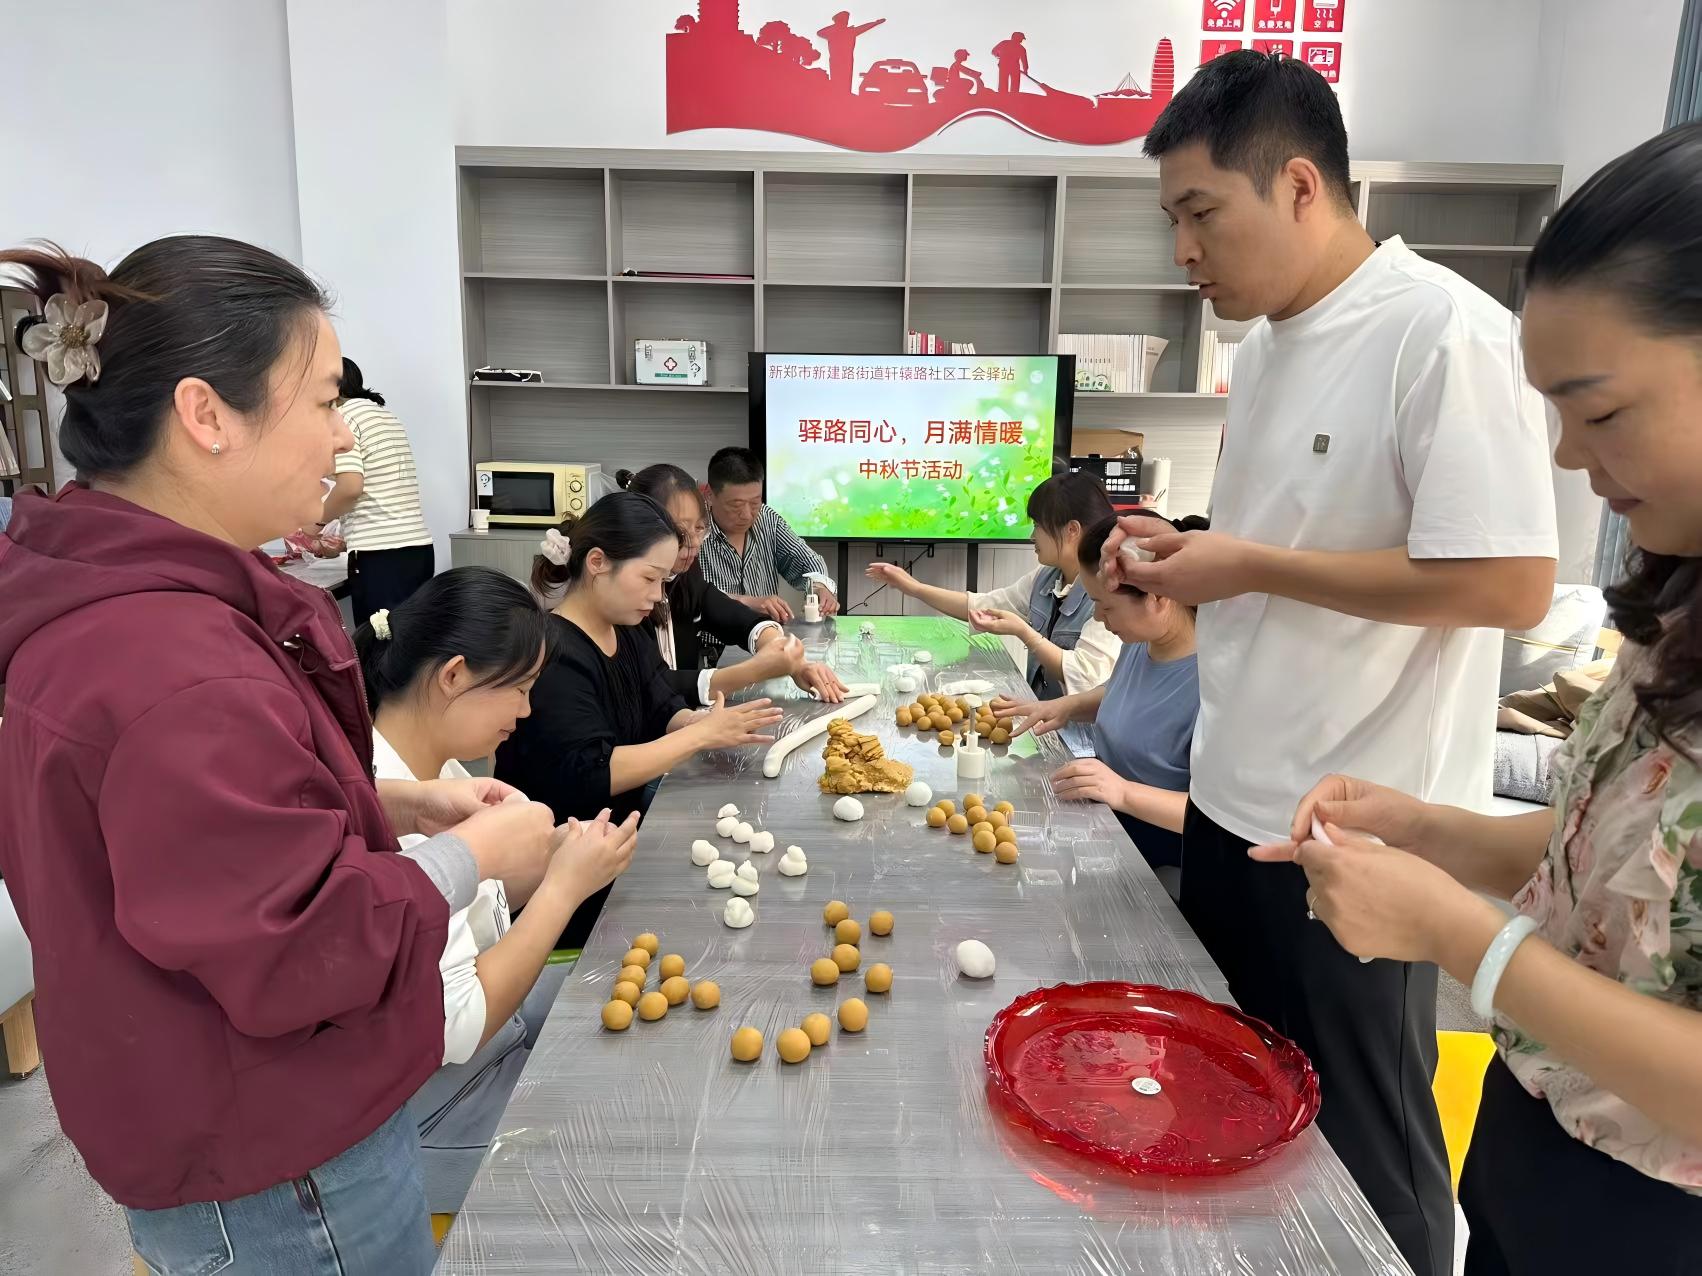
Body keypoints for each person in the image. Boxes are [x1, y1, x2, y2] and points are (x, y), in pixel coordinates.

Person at [0, 237, 566, 1274]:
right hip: (280, 1165)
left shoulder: (122, 611)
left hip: (217, 1125)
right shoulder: (174, 667)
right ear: (207, 416)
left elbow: (195, 857)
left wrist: (388, 810)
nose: (342, 437)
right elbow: (299, 949)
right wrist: (477, 859)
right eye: (323, 400)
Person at [1102, 52, 1559, 1276]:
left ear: (1300, 186)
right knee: (1231, 1104)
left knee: (1366, 1142)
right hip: (1227, 798)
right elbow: (1290, 546)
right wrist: (1187, 559)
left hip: (1353, 834)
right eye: (1171, 220)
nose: (1183, 251)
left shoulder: (1443, 333)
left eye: (1202, 213)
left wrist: (1246, 563)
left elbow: (1509, 583)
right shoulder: (1263, 348)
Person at [1253, 122, 1702, 1275]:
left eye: (1600, 412)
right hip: (1532, 1145)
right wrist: (1428, 830)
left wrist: (1459, 935)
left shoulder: (1427, 332)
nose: (1566, 458)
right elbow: (1622, 866)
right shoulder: (1675, 601)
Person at [356, 567, 640, 1213]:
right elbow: (459, 1025)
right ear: (454, 676)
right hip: (439, 1110)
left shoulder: (435, 772)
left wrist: (551, 857)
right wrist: (562, 890)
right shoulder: (386, 815)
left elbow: (474, 907)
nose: (527, 711)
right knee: (629, 1137)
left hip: (484, 1050)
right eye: (519, 689)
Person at [496, 491, 783, 947]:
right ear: (597, 562)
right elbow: (591, 772)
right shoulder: (554, 655)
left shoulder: (626, 630)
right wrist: (698, 737)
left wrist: (699, 724)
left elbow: (661, 703)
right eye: (649, 578)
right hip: (559, 878)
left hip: (613, 847)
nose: (657, 595)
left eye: (664, 581)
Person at [995, 516, 1201, 897]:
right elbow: (1125, 692)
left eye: (1105, 606)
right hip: (1105, 822)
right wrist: (1067, 706)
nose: (1098, 618)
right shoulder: (1143, 642)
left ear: (1159, 596)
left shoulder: (1211, 684)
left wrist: (1122, 792)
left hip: (1157, 856)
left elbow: (1212, 818)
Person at [867, 471, 1122, 700]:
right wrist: (914, 588)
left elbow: (1085, 675)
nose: (1032, 536)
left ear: (1072, 530)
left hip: (1078, 732)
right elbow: (983, 605)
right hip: (1041, 713)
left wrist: (1024, 632)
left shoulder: (1110, 593)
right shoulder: (1046, 577)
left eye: (1037, 526)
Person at [619, 464, 848, 704]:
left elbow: (726, 612)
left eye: (699, 529)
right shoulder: (624, 601)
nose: (694, 543)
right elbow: (650, 687)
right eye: (680, 532)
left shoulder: (684, 574)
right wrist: (753, 671)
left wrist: (788, 655)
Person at [322, 357, 435, 628]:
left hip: (381, 557)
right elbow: (380, 490)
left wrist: (316, 522)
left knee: (378, 644)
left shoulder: (344, 417)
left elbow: (350, 487)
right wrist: (347, 538)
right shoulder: (383, 414)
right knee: (411, 642)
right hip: (416, 549)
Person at [699, 445, 839, 628]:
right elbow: (689, 596)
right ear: (709, 495)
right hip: (711, 643)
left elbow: (806, 560)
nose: (747, 515)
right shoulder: (694, 530)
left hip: (768, 638)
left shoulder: (767, 519)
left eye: (755, 503)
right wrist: (747, 602)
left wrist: (820, 587)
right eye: (736, 505)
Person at [817, 10, 884, 89]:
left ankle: (842, 93)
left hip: (845, 60)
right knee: (839, 81)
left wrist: (875, 23)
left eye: (847, 19)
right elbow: (819, 32)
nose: (847, 22)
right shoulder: (845, 31)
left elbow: (864, 27)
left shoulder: (846, 31)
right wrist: (875, 23)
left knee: (845, 81)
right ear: (840, 21)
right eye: (845, 20)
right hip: (838, 60)